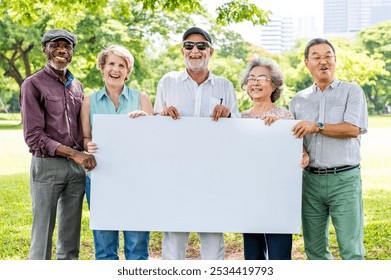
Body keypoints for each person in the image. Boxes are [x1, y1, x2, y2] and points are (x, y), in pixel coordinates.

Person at [154, 26, 239, 260]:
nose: (195, 50)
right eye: (189, 45)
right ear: (182, 51)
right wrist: (161, 116)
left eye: (201, 46)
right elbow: (155, 126)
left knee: (213, 239)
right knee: (174, 238)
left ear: (210, 51)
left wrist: (229, 116)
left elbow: (238, 130)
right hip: (175, 172)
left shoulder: (225, 86)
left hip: (213, 173)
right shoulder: (168, 82)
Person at [19, 29, 96, 260]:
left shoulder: (77, 87)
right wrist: (76, 154)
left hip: (76, 170)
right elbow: (34, 136)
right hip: (47, 166)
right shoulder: (32, 84)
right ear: (45, 49)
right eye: (55, 45)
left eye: (67, 46)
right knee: (42, 235)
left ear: (72, 52)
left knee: (70, 238)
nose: (62, 50)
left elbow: (84, 129)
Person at [290, 38, 368, 260]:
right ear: (307, 63)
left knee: (351, 250)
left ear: (335, 60)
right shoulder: (298, 100)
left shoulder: (352, 92)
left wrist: (317, 127)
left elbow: (353, 129)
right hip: (310, 181)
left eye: (328, 56)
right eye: (316, 57)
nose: (323, 61)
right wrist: (302, 152)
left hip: (344, 179)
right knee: (314, 250)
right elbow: (295, 139)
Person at [80, 44, 153, 260]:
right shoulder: (88, 102)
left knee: (137, 247)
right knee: (104, 248)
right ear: (102, 67)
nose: (116, 69)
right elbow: (85, 138)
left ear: (128, 72)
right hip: (101, 179)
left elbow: (153, 142)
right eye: (111, 63)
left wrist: (147, 123)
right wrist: (88, 146)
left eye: (122, 65)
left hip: (136, 179)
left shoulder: (142, 99)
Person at [240, 57, 309, 260]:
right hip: (249, 198)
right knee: (252, 258)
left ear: (274, 85)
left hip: (279, 199)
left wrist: (279, 130)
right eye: (251, 78)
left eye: (262, 78)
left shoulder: (285, 118)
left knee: (279, 257)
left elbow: (302, 155)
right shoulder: (239, 119)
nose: (255, 82)